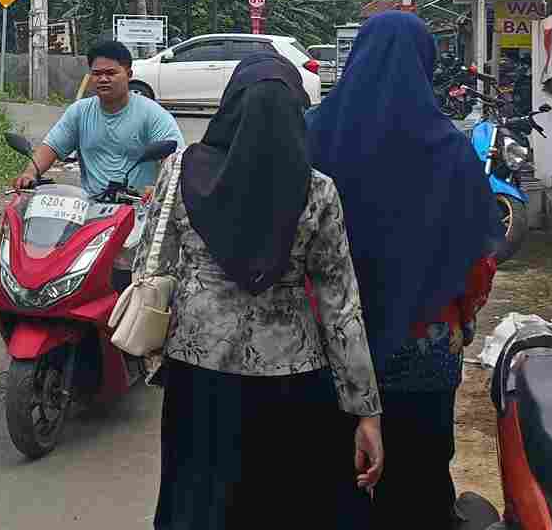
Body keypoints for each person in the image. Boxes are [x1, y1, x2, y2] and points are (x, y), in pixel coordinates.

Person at [148, 54, 383, 530]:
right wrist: (366, 412)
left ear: (228, 106)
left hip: (199, 373)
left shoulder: (179, 172)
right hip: (294, 378)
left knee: (199, 499)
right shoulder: (318, 191)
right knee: (284, 504)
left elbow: (152, 265)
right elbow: (341, 308)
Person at [306, 11, 503, 529]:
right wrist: (462, 317)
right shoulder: (449, 149)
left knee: (336, 471)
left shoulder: (314, 133)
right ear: (424, 63)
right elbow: (476, 258)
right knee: (419, 472)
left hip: (330, 344)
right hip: (423, 344)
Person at [14, 40, 184, 195]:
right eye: (97, 73)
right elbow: (51, 147)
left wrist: (158, 191)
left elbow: (175, 164)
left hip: (138, 208)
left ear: (129, 74)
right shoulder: (79, 112)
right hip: (89, 207)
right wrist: (30, 173)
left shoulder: (153, 115)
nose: (103, 79)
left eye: (111, 73)